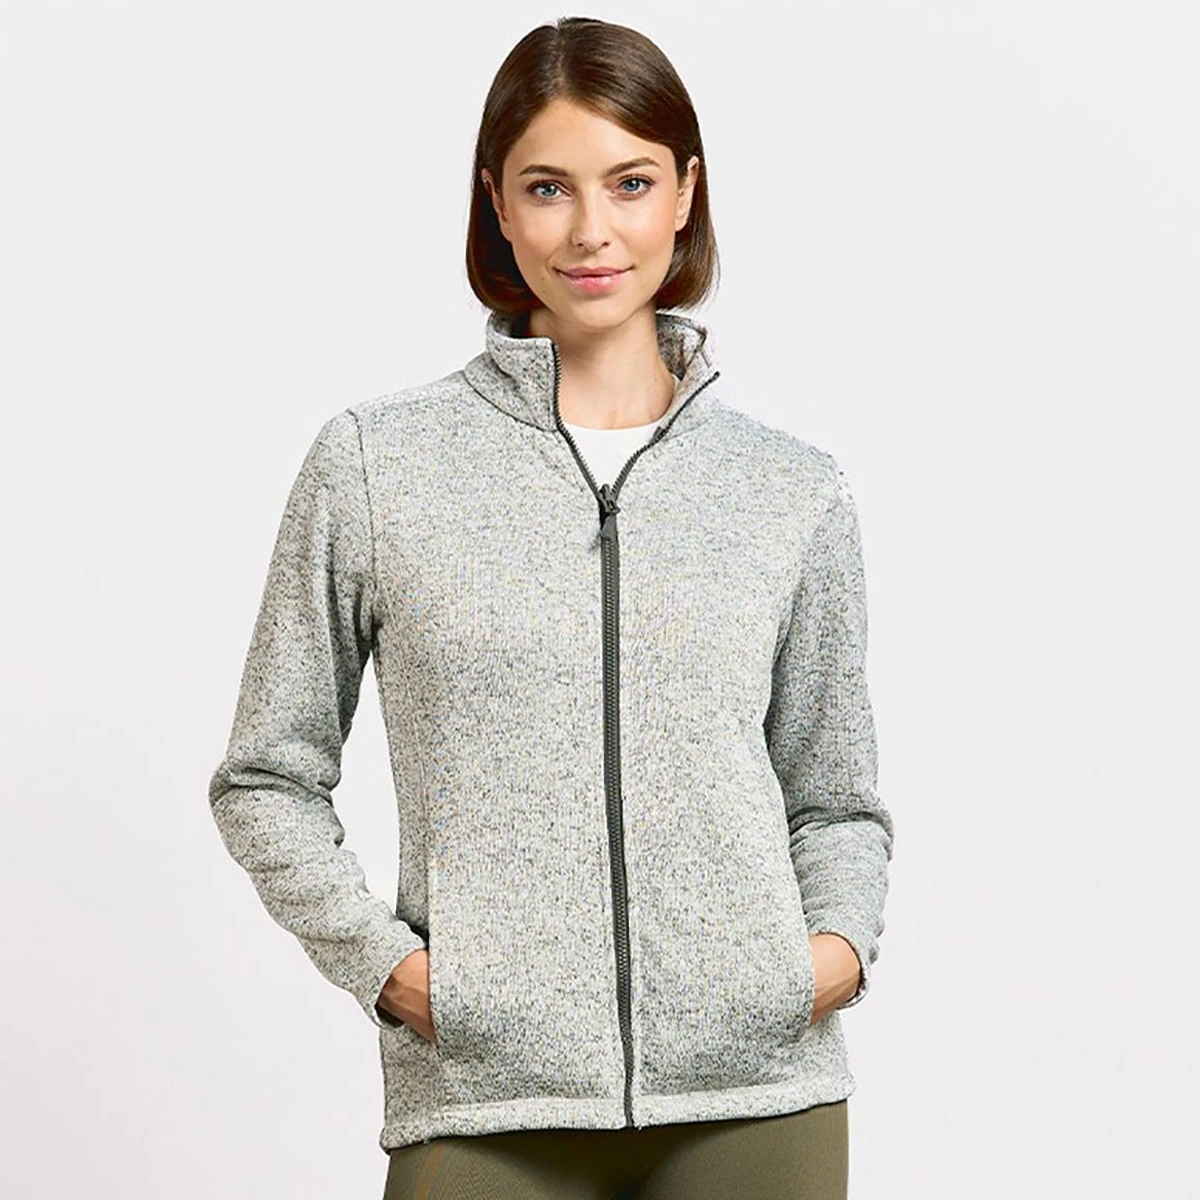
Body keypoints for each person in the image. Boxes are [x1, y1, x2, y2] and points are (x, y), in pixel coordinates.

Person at [208, 16, 894, 1200]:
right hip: (485, 1096)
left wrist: (824, 953)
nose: (591, 231)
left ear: (685, 193)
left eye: (630, 182)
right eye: (547, 187)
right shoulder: (376, 464)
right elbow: (265, 778)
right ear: (497, 204)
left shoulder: (789, 488)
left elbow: (834, 794)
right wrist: (392, 971)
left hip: (759, 1096)